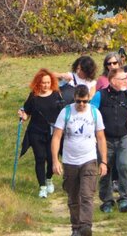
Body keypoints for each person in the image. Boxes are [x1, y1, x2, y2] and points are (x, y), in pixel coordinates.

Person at [51, 85, 107, 236]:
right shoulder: (66, 112)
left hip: (89, 159)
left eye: (84, 101)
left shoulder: (95, 112)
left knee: (87, 195)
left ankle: (85, 226)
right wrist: (55, 161)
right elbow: (56, 137)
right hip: (70, 161)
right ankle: (75, 227)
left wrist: (103, 161)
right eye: (78, 101)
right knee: (73, 196)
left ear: (89, 99)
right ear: (74, 98)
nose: (81, 105)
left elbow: (101, 138)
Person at [91, 67, 127, 213]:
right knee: (105, 169)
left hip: (124, 137)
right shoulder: (100, 96)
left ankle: (124, 199)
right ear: (112, 81)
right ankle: (107, 201)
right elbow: (90, 114)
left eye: (126, 79)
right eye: (122, 79)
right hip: (105, 139)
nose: (126, 82)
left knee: (124, 166)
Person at [19, 68, 65, 198]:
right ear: (38, 82)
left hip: (52, 133)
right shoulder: (33, 96)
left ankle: (49, 179)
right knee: (39, 158)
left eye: (48, 82)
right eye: (43, 82)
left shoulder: (56, 94)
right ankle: (42, 187)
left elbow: (62, 112)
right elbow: (26, 112)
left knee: (51, 159)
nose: (45, 85)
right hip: (36, 132)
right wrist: (23, 115)